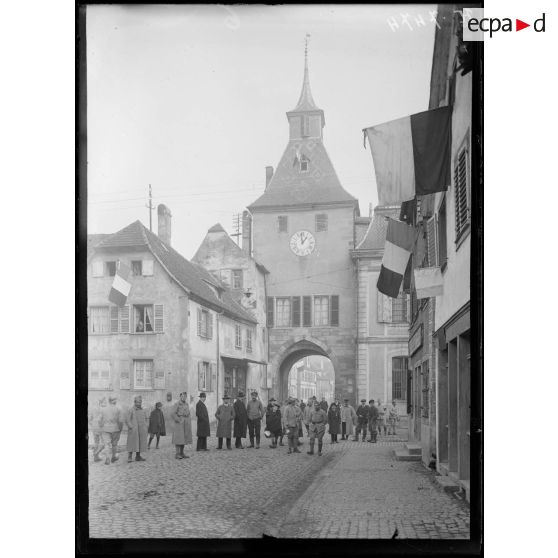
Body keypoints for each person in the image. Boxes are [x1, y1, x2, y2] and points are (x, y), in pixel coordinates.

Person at [98, 396, 122, 465]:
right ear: (115, 401)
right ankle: (113, 457)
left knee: (106, 444)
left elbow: (99, 420)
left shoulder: (103, 409)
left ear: (109, 401)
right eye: (115, 400)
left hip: (105, 429)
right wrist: (120, 429)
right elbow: (120, 421)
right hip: (115, 428)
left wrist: (101, 426)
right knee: (114, 444)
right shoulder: (118, 409)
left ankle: (107, 458)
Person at [126, 395, 148, 463]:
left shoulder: (143, 410)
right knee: (132, 442)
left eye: (140, 402)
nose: (139, 404)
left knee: (140, 442)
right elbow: (127, 420)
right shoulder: (131, 410)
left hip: (141, 429)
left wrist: (146, 426)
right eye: (137, 402)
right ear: (134, 402)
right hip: (134, 430)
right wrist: (131, 427)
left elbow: (146, 418)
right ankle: (129, 457)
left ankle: (138, 456)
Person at [171, 392, 192, 459]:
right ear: (180, 397)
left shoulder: (186, 404)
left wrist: (188, 418)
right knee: (178, 438)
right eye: (182, 396)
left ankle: (182, 453)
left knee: (184, 438)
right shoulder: (177, 404)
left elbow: (188, 412)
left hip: (185, 423)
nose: (184, 397)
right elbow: (172, 413)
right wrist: (178, 419)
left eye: (185, 396)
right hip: (179, 424)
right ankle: (177, 454)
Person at [89, 396, 106, 462]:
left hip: (94, 427)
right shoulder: (103, 409)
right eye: (104, 401)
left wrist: (93, 425)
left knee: (96, 442)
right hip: (100, 427)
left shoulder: (93, 408)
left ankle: (96, 458)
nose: (105, 403)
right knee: (104, 443)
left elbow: (89, 419)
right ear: (101, 402)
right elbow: (102, 419)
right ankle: (96, 454)